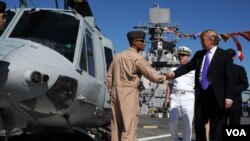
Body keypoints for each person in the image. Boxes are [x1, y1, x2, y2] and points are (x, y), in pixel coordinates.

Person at [166, 29, 234, 141]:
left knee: (215, 128)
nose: (201, 42)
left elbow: (229, 78)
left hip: (216, 95)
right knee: (198, 125)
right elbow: (187, 67)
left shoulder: (224, 55)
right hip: (201, 95)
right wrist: (173, 74)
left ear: (211, 40)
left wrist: (229, 97)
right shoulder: (199, 54)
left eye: (203, 40)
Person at [106, 30, 167, 141]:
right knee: (129, 127)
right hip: (129, 93)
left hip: (114, 93)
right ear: (135, 42)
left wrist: (111, 90)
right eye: (142, 41)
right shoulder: (137, 58)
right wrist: (165, 77)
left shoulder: (117, 56)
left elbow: (109, 76)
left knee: (116, 126)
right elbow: (151, 75)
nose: (144, 43)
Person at [165, 46, 195, 141]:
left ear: (188, 57)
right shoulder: (173, 70)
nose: (180, 57)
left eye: (183, 55)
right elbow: (169, 85)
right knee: (172, 121)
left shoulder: (194, 70)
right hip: (175, 96)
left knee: (188, 122)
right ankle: (174, 139)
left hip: (189, 97)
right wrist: (167, 98)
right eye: (179, 55)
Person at [225, 48, 249, 125]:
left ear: (234, 57)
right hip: (220, 103)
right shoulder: (218, 69)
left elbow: (245, 84)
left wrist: (231, 91)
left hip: (235, 103)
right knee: (219, 127)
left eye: (230, 56)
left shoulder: (240, 69)